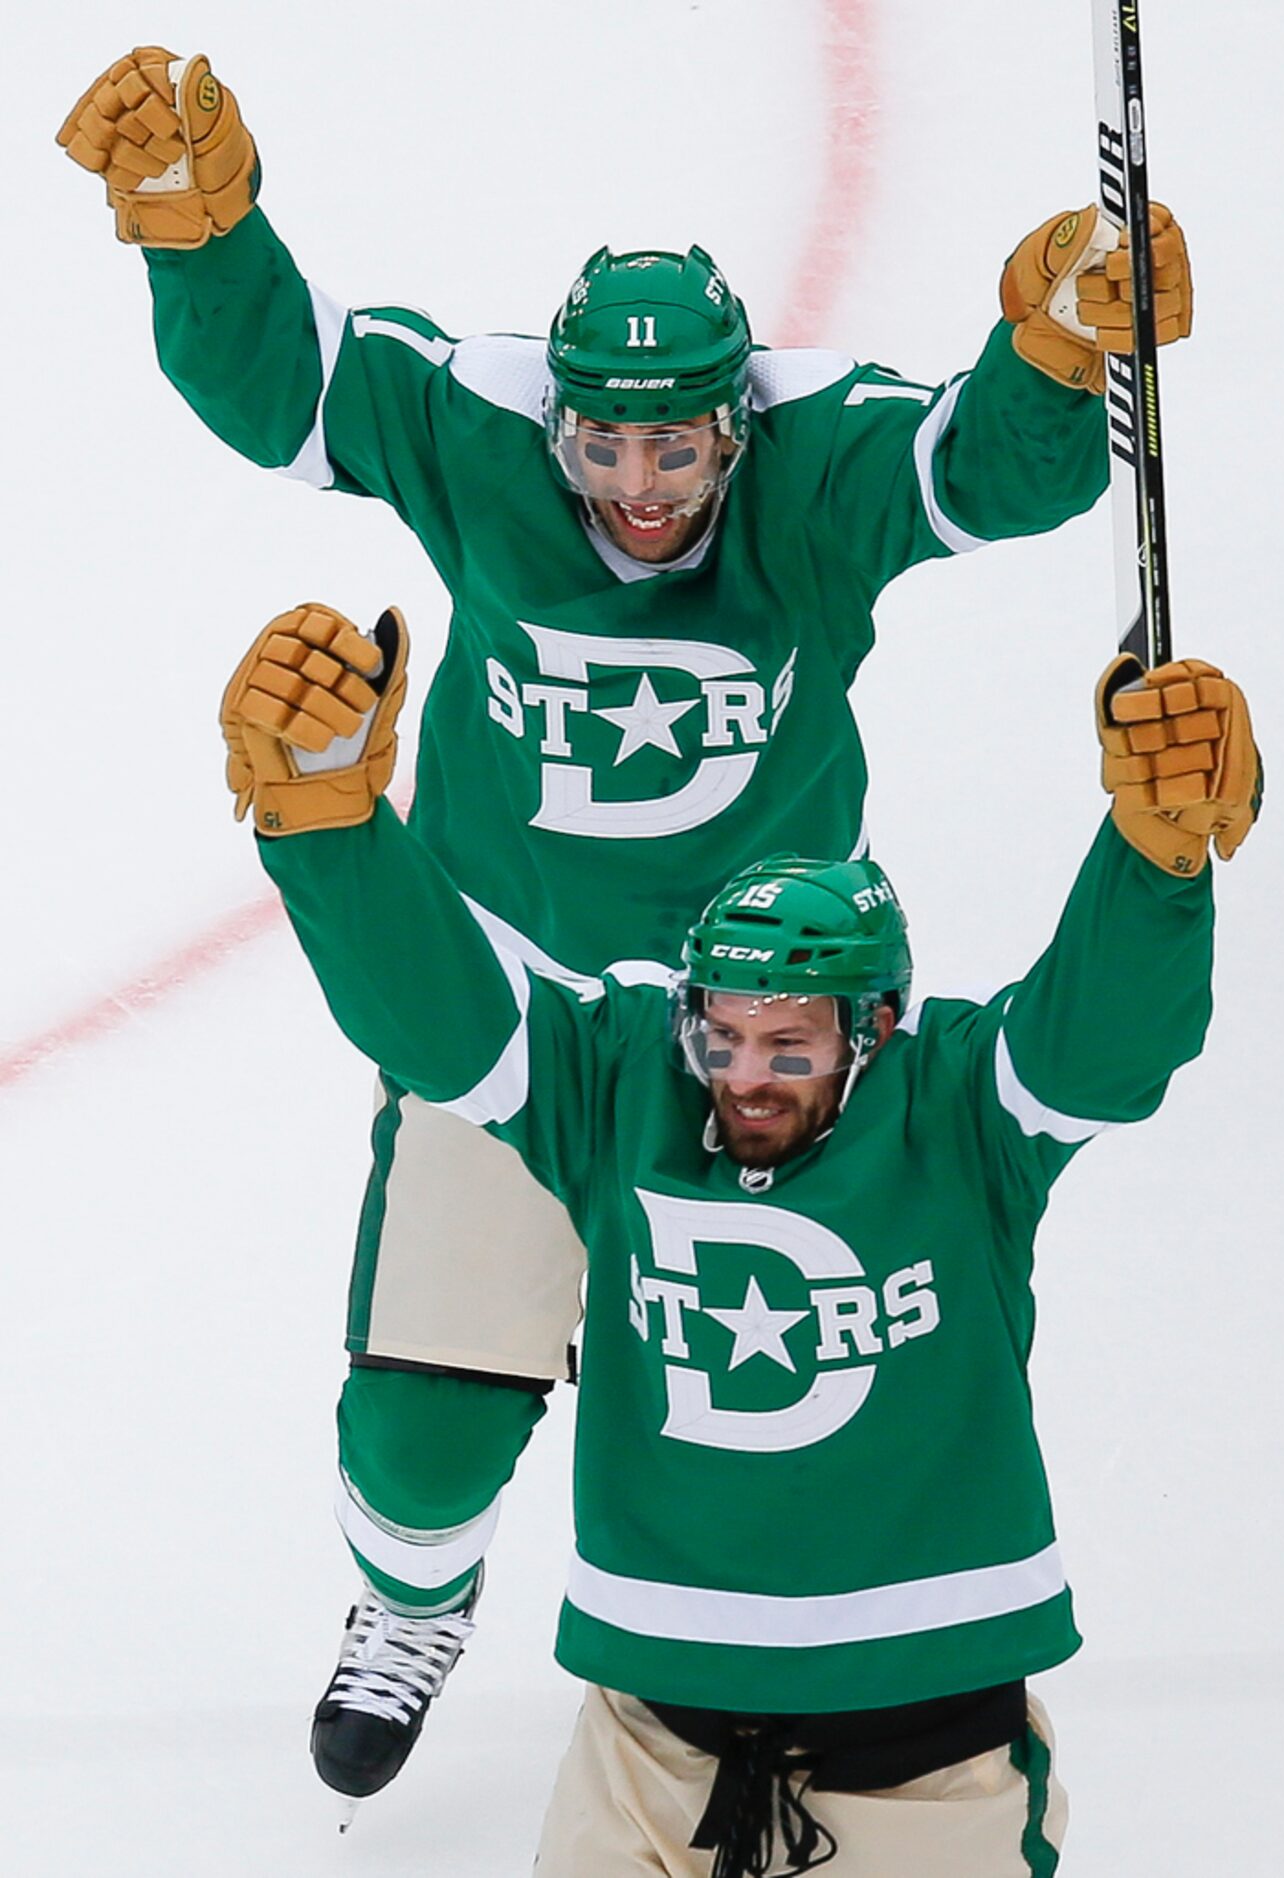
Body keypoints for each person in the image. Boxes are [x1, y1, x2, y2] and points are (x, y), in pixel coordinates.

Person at [59, 47, 1197, 1802]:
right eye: (606, 439)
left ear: (740, 420)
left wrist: (1053, 345)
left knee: (849, 1383)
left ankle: (882, 1701)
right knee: (424, 1422)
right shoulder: (479, 424)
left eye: (680, 443)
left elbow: (991, 469)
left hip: (774, 1045)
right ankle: (409, 1603)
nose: (642, 480)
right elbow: (287, 381)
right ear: (559, 416)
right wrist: (200, 231)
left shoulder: (819, 462)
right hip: (514, 1021)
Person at [219, 600, 1259, 1874]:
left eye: (793, 1044)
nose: (746, 1075)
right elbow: (441, 1011)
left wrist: (1156, 865)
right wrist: (325, 826)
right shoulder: (623, 1088)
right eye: (722, 1033)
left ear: (873, 1031)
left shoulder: (957, 1111)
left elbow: (1106, 1042)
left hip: (924, 1766)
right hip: (653, 1751)